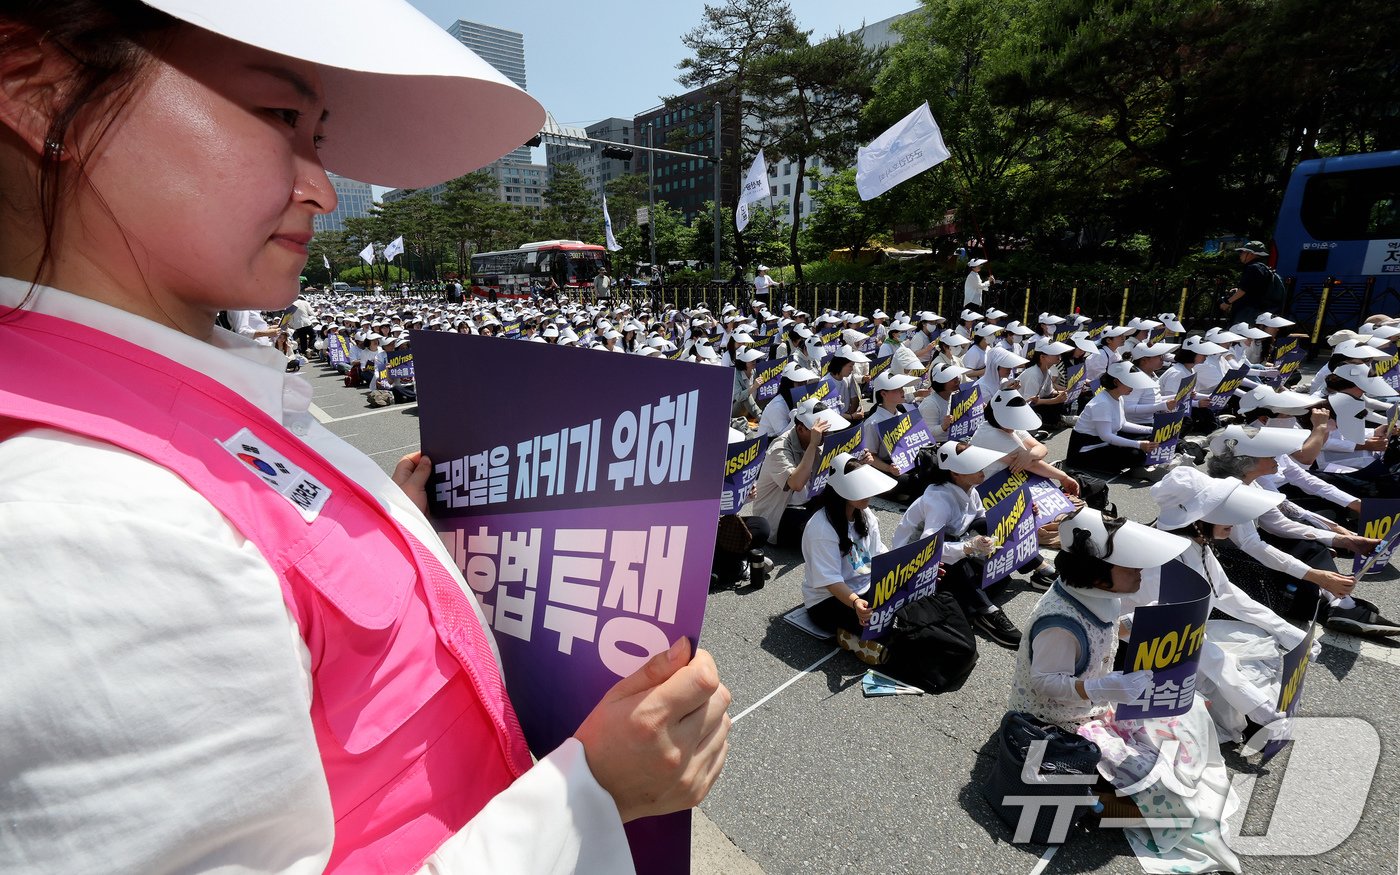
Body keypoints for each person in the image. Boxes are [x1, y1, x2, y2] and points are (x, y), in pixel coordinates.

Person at [0, 3, 729, 872]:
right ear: (41, 95)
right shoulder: (89, 527)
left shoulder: (172, 387)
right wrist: (595, 795)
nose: (323, 188)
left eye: (320, 135)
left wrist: (390, 525)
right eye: (279, 117)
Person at [1008, 508, 1242, 875]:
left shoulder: (1091, 594)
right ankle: (1093, 803)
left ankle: (1108, 796)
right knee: (1167, 796)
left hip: (1094, 705)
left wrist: (1127, 628)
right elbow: (1045, 683)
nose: (1140, 573)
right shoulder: (1060, 622)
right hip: (1059, 723)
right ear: (1099, 576)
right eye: (1130, 567)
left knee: (1184, 724)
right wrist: (1104, 686)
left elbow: (1100, 631)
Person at [891, 442, 1024, 648]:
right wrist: (968, 548)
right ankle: (987, 611)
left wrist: (1023, 516)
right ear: (955, 472)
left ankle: (968, 605)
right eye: (975, 466)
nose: (982, 470)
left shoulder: (971, 490)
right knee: (962, 568)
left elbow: (982, 522)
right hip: (914, 562)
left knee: (1000, 577)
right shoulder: (938, 500)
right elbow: (928, 549)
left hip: (950, 548)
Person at [800, 454, 894, 641]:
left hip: (865, 587)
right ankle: (852, 639)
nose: (867, 493)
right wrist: (856, 602)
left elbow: (878, 553)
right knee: (883, 625)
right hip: (827, 601)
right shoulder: (821, 528)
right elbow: (830, 580)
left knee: (904, 610)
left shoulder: (865, 513)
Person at [752, 399, 849, 548]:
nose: (825, 434)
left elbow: (834, 471)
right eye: (820, 431)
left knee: (843, 509)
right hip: (779, 513)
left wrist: (859, 461)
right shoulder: (779, 449)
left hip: (807, 503)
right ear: (800, 429)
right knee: (821, 528)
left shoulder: (819, 443)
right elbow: (796, 484)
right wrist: (812, 446)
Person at [1068, 361, 1162, 478]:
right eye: (1130, 383)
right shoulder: (1102, 403)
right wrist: (1138, 444)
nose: (1133, 387)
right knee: (1136, 454)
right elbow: (1106, 436)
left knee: (1151, 439)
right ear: (1116, 382)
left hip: (1104, 445)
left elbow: (1122, 424)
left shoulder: (1118, 397)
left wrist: (1150, 430)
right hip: (1085, 452)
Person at [1221, 240, 1280, 325]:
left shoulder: (1252, 268)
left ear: (1251, 254)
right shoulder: (1264, 268)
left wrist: (1227, 302)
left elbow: (1243, 290)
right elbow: (1254, 288)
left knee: (1239, 334)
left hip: (1246, 310)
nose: (1240, 254)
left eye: (1243, 252)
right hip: (1258, 309)